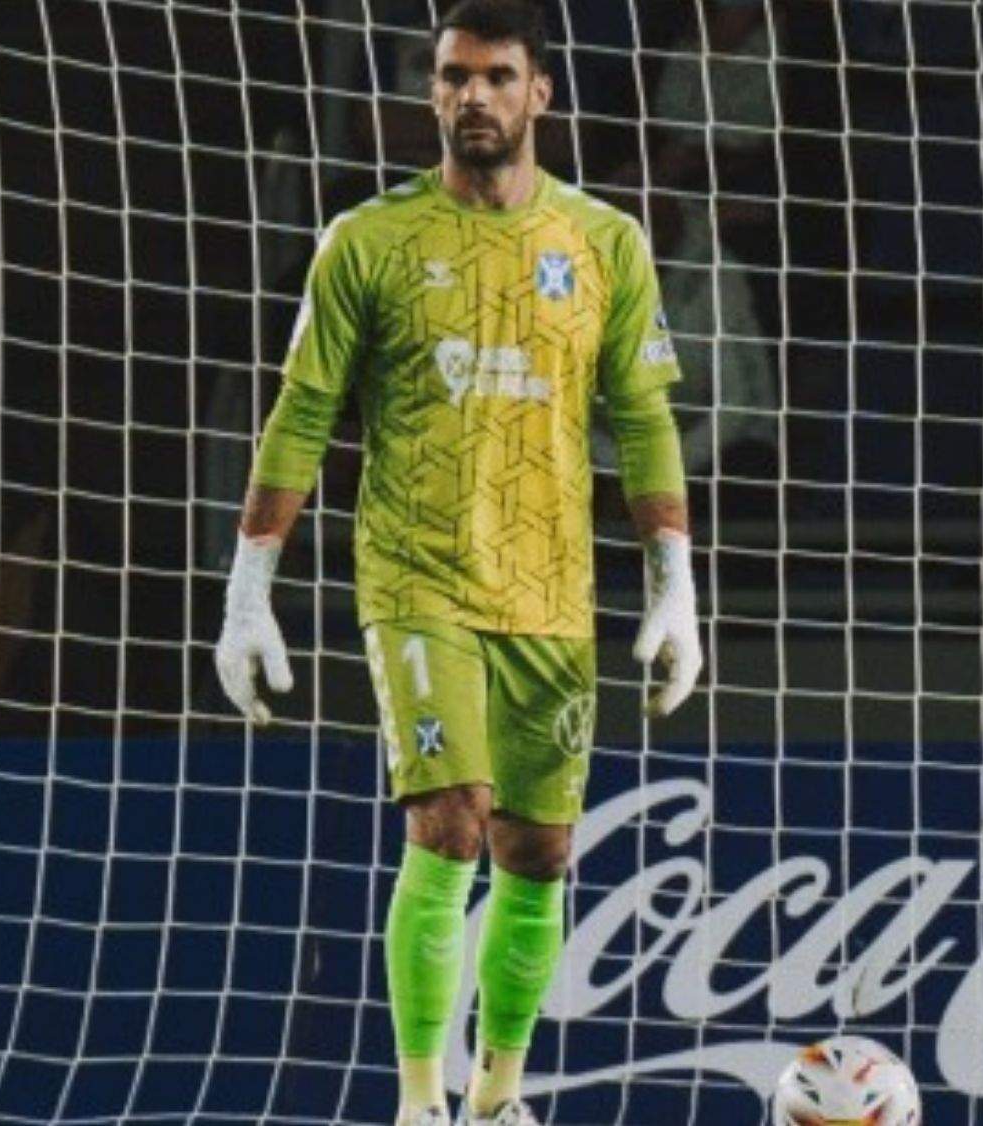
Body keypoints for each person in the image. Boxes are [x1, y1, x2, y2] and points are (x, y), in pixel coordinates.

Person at [211, 3, 702, 1123]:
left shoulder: (605, 242)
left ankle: (495, 1099)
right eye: (451, 78)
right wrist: (250, 590)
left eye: (494, 77)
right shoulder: (368, 240)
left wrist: (675, 585)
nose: (470, 96)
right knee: (449, 818)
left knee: (538, 850)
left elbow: (643, 418)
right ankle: (417, 1100)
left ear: (540, 95)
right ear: (431, 93)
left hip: (550, 588)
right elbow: (298, 418)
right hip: (413, 575)